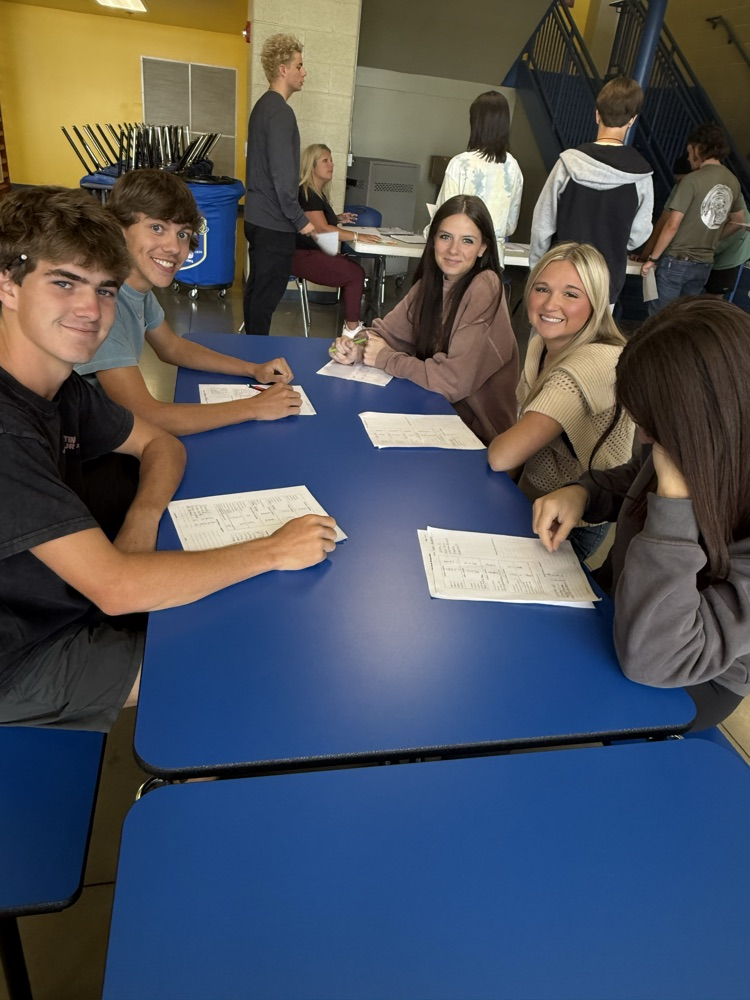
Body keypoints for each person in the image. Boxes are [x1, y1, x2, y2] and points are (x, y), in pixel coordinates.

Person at [0, 187, 338, 732]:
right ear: (8, 285)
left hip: (68, 595)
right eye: (64, 282)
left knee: (228, 607)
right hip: (24, 653)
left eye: (105, 290)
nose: (90, 309)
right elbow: (115, 588)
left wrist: (141, 519)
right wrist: (274, 548)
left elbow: (162, 443)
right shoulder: (8, 427)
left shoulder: (62, 387)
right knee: (237, 666)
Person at [532, 297, 750, 731]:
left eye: (654, 428)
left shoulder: (685, 456)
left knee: (550, 709)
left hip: (692, 673)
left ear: (703, 424)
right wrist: (583, 493)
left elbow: (656, 658)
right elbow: (637, 477)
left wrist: (676, 501)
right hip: (622, 609)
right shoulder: (683, 445)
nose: (645, 438)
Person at [75, 169, 302, 438]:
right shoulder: (103, 303)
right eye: (157, 228)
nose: (174, 247)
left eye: (182, 233)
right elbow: (147, 416)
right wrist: (255, 407)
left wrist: (252, 369)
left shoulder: (136, 289)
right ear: (119, 229)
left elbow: (171, 347)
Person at [331, 195, 519, 444]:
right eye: (445, 237)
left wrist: (386, 358)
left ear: (483, 247)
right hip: (430, 411)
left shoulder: (485, 286)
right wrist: (358, 348)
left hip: (476, 436)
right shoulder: (431, 283)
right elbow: (388, 334)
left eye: (467, 240)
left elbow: (452, 382)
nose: (453, 250)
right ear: (433, 240)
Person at [487, 243, 633, 560]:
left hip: (570, 522)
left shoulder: (594, 363)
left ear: (596, 302)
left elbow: (502, 455)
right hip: (530, 496)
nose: (551, 304)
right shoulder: (542, 344)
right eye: (542, 289)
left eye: (571, 294)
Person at [530, 76, 653, 305]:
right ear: (632, 120)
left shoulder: (567, 164)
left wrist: (537, 268)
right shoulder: (641, 176)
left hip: (561, 275)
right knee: (597, 330)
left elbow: (543, 224)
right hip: (606, 279)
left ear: (597, 114)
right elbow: (639, 234)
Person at [243, 33, 315, 334]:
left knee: (256, 294)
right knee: (265, 300)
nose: (304, 72)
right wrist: (301, 221)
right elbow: (282, 176)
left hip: (257, 218)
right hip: (274, 223)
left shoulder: (262, 107)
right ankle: (258, 360)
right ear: (283, 70)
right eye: (299, 65)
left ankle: (250, 353)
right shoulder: (280, 112)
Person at [640, 124, 745, 314]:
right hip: (704, 264)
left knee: (660, 318)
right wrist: (714, 237)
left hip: (676, 260)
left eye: (689, 152)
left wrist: (652, 258)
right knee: (684, 317)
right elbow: (738, 220)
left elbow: (672, 224)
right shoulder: (733, 181)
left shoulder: (692, 180)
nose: (689, 158)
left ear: (698, 148)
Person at [430, 91, 523, 267]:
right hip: (495, 258)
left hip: (459, 256)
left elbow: (444, 217)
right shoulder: (513, 167)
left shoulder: (461, 163)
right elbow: (510, 225)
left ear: (476, 123)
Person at [292, 143, 375, 337]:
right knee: (355, 274)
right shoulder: (308, 193)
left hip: (308, 253)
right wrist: (358, 236)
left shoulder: (316, 193)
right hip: (303, 256)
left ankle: (352, 324)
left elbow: (315, 222)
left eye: (331, 160)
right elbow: (322, 229)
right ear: (312, 165)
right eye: (325, 161)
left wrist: (336, 218)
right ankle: (352, 328)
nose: (331, 165)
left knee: (352, 268)